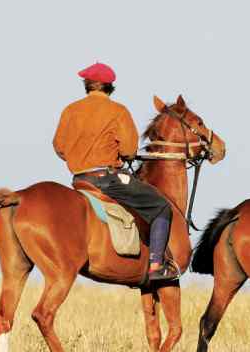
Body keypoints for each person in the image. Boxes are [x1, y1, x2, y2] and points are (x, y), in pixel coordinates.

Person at [53, 62, 179, 281]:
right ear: (109, 86)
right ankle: (156, 266)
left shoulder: (70, 110)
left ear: (87, 85)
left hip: (80, 180)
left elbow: (59, 147)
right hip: (107, 180)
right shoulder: (118, 111)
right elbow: (129, 150)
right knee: (160, 207)